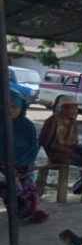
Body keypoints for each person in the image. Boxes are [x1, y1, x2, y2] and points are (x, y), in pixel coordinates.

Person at [0, 89, 49, 223]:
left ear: (21, 107)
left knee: (28, 186)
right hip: (3, 168)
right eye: (6, 106)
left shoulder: (27, 126)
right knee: (12, 185)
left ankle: (29, 211)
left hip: (22, 165)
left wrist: (19, 164)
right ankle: (19, 213)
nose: (10, 110)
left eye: (14, 106)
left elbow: (32, 149)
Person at [39, 96, 82, 203]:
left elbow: (74, 141)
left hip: (70, 148)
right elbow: (44, 141)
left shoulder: (72, 120)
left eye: (75, 108)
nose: (75, 111)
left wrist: (74, 148)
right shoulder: (53, 120)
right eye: (71, 108)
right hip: (56, 152)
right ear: (63, 108)